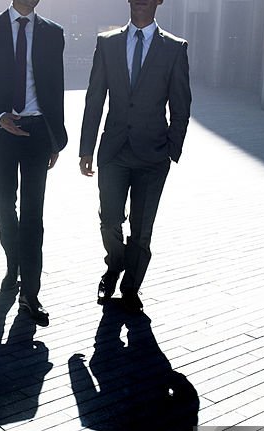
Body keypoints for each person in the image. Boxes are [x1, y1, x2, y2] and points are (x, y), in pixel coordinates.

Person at [79, 0, 191, 313]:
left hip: (153, 156)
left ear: (159, 1)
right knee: (109, 221)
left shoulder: (175, 49)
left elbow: (181, 105)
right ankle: (114, 265)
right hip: (114, 151)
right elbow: (94, 99)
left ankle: (131, 287)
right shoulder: (107, 43)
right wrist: (86, 148)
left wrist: (172, 149)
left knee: (142, 230)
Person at [0, 0, 67, 327]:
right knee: (4, 205)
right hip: (0, 132)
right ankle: (14, 266)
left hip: (38, 131)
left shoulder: (53, 33)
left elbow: (55, 89)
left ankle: (30, 293)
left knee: (33, 213)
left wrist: (56, 138)